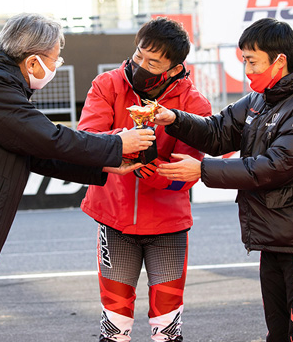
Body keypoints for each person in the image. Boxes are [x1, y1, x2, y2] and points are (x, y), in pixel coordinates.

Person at [0, 13, 155, 342]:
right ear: (33, 61)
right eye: (55, 58)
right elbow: (49, 138)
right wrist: (118, 143)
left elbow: (33, 152)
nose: (58, 64)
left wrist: (105, 165)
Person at [151, 18, 293, 341]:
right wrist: (174, 119)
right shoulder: (262, 99)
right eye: (244, 61)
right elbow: (217, 132)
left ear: (279, 60)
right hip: (276, 236)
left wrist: (202, 171)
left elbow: (273, 167)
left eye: (252, 61)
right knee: (279, 333)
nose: (247, 70)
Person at [78, 17, 212, 342]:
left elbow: (187, 172)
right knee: (114, 327)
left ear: (175, 68)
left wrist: (151, 169)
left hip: (168, 226)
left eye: (153, 62)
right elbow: (86, 141)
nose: (141, 65)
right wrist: (124, 143)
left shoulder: (195, 104)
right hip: (114, 220)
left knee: (167, 329)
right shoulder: (107, 84)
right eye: (139, 55)